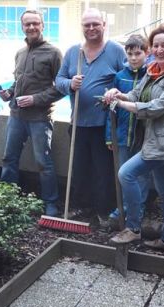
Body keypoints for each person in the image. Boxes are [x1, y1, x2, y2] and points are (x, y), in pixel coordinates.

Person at [104, 23, 164, 254]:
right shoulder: (155, 69)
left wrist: (122, 104)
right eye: (155, 45)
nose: (159, 49)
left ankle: (133, 227)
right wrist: (119, 93)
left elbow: (157, 107)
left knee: (127, 173)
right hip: (155, 138)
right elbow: (137, 93)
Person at [55, 8, 126, 225]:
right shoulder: (73, 52)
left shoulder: (115, 51)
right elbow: (58, 81)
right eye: (87, 25)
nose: (91, 28)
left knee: (103, 171)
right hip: (78, 122)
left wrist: (114, 92)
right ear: (82, 27)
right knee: (79, 168)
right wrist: (70, 84)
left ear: (104, 25)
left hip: (104, 125)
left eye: (96, 24)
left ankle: (103, 211)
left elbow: (126, 79)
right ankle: (80, 206)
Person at [0, 9, 64, 217]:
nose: (32, 27)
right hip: (16, 116)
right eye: (28, 24)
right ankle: (6, 200)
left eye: (35, 23)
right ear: (22, 27)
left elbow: (61, 88)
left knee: (43, 162)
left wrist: (35, 100)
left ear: (43, 26)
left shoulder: (53, 53)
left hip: (40, 119)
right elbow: (19, 81)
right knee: (9, 158)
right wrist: (9, 92)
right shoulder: (20, 53)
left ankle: (51, 203)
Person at [104, 34, 149, 226]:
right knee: (122, 173)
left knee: (142, 175)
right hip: (122, 134)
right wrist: (109, 136)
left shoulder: (151, 76)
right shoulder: (119, 77)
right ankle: (122, 207)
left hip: (144, 136)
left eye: (138, 53)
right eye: (130, 54)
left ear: (147, 53)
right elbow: (111, 108)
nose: (133, 58)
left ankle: (138, 208)